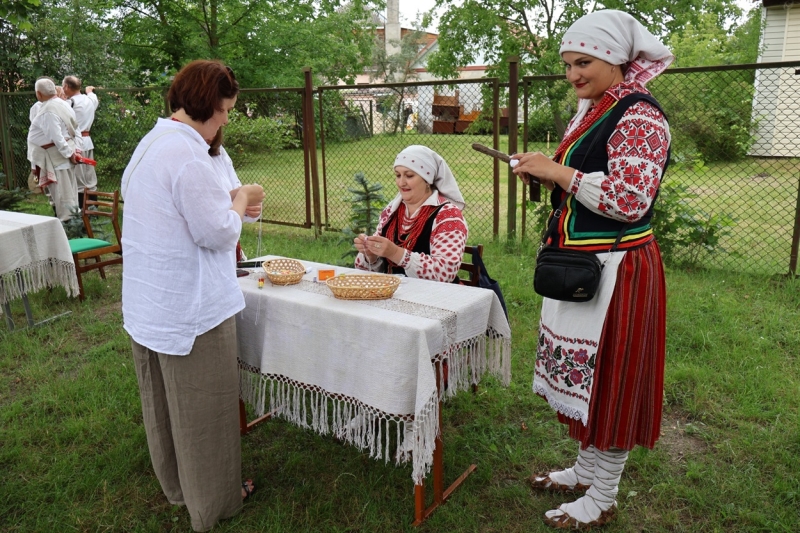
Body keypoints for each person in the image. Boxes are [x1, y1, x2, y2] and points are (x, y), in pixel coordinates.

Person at [510, 10, 673, 530]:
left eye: (584, 62)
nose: (573, 74)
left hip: (620, 268)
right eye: (567, 65)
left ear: (615, 60)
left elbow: (629, 198)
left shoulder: (640, 116)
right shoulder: (595, 109)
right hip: (582, 262)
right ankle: (584, 469)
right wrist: (545, 171)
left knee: (612, 382)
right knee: (587, 382)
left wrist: (557, 170)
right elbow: (584, 179)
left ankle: (602, 495)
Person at [121, 59, 264, 532]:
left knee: (163, 405)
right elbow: (219, 232)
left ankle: (179, 490)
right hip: (190, 309)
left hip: (151, 302)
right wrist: (241, 200)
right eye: (224, 109)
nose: (226, 118)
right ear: (204, 103)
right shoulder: (185, 155)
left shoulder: (152, 144)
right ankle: (215, 504)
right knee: (205, 410)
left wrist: (234, 197)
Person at [353, 144, 468, 283]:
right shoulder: (392, 211)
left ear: (427, 179)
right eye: (398, 175)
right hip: (393, 294)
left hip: (436, 299)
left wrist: (396, 253)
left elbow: (444, 273)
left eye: (409, 175)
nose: (401, 182)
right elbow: (366, 273)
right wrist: (371, 255)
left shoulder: (448, 216)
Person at [27, 77, 82, 221]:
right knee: (68, 191)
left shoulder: (48, 111)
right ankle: (74, 221)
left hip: (57, 157)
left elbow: (56, 137)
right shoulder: (63, 104)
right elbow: (74, 129)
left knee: (62, 194)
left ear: (39, 94)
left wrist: (70, 154)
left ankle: (68, 224)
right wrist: (74, 151)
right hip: (62, 154)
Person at [207, 127, 262, 262]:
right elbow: (207, 212)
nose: (226, 120)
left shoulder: (220, 153)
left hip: (229, 255)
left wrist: (250, 207)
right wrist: (239, 197)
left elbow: (238, 194)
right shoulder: (189, 157)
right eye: (223, 111)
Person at [63, 76, 99, 209]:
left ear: (67, 87)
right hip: (88, 141)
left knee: (78, 177)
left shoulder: (69, 103)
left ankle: (82, 209)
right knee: (90, 175)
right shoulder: (89, 99)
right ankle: (93, 208)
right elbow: (92, 96)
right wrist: (89, 90)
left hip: (76, 143)